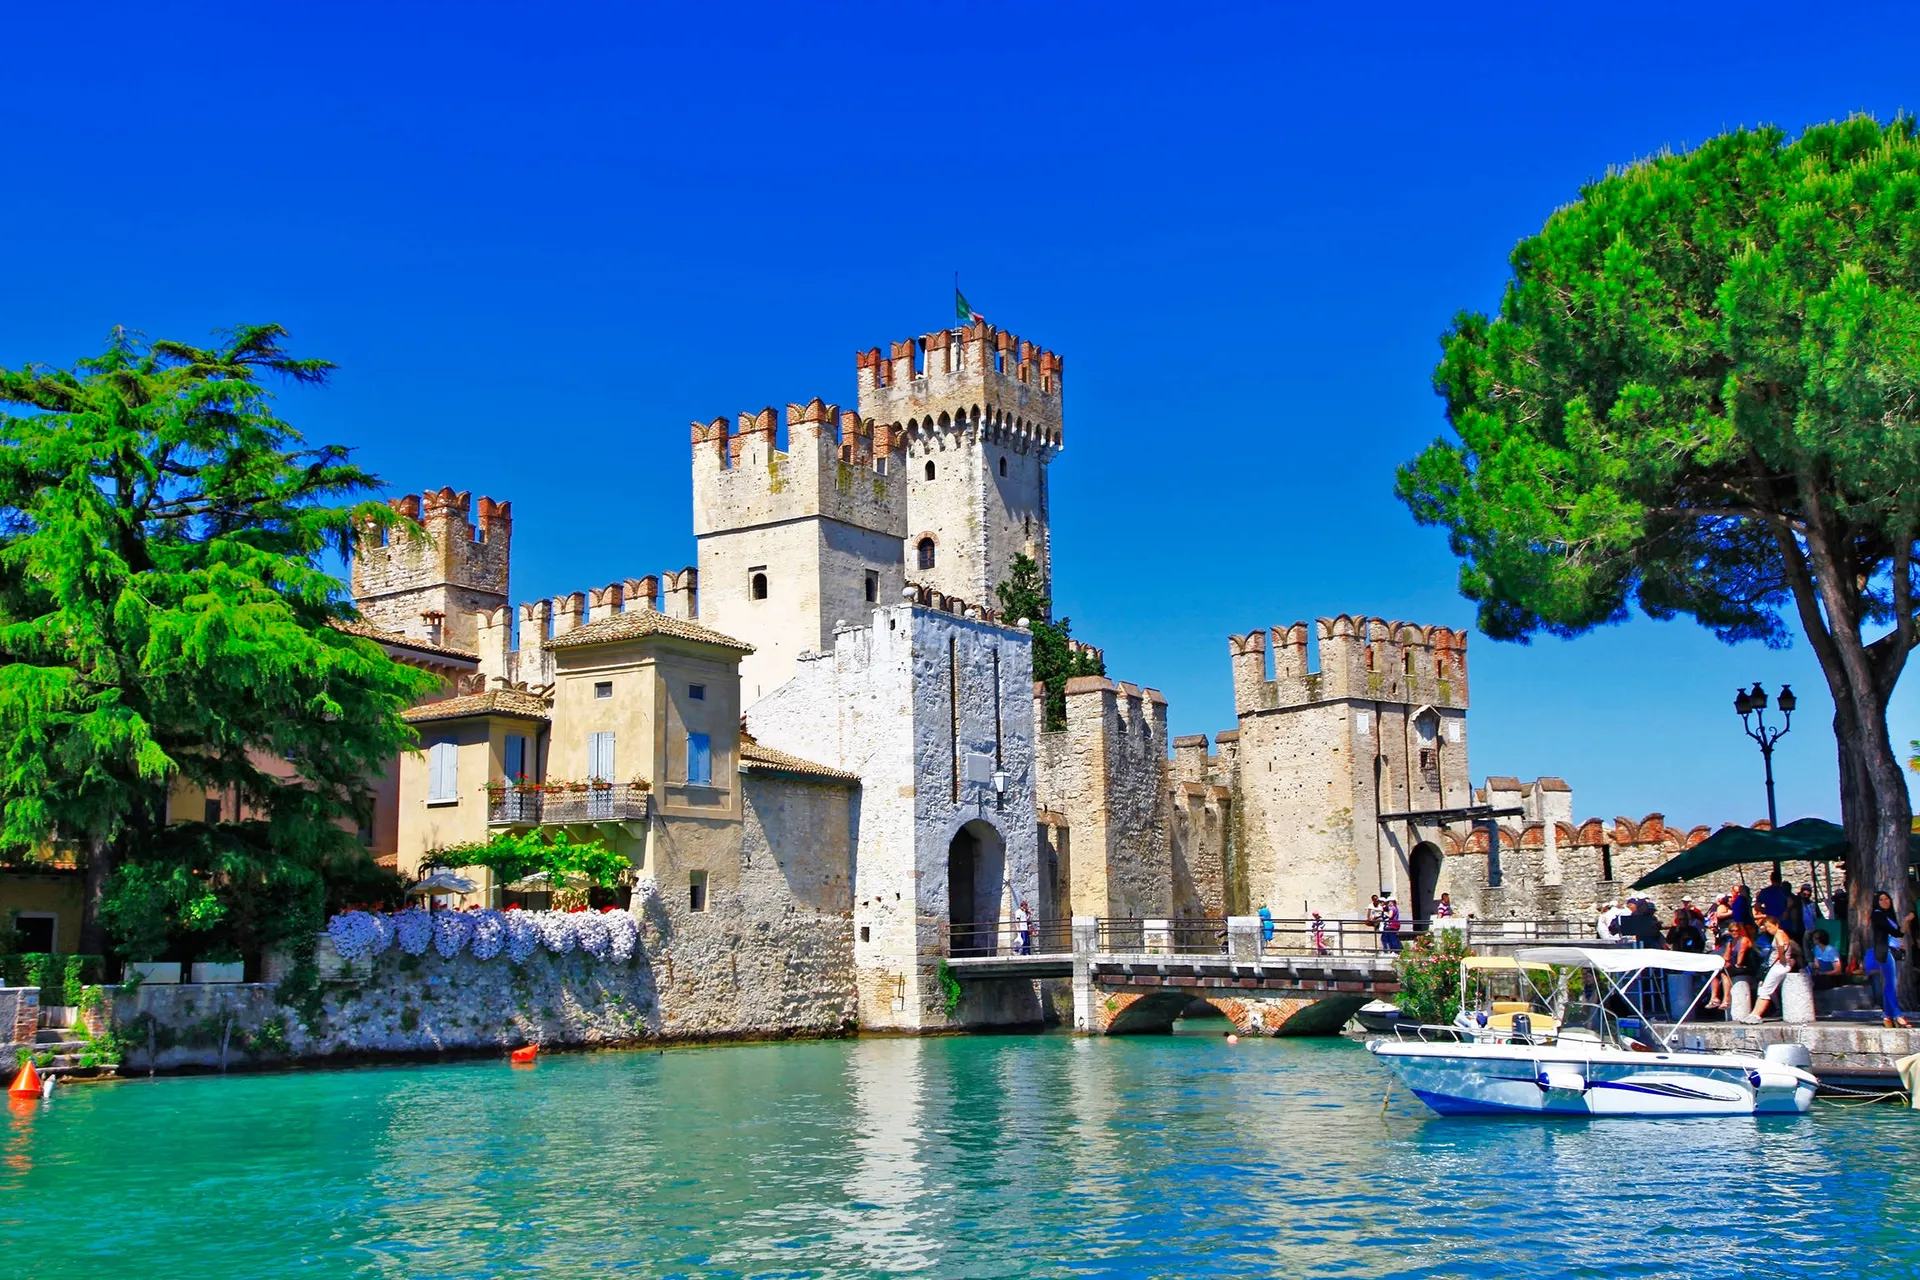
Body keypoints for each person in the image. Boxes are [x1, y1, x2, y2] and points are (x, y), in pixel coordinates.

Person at [1742, 918, 1800, 1024]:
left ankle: (1756, 1015)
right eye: (1767, 927)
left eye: (1770, 926)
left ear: (1777, 924)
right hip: (1775, 966)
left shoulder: (1779, 933)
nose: (1768, 929)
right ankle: (1753, 1013)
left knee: (1765, 991)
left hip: (1779, 966)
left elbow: (1781, 945)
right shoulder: (1777, 934)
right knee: (1762, 988)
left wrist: (1782, 958)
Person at [1869, 890, 1911, 1028]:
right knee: (1890, 984)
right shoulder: (1877, 914)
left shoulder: (1889, 916)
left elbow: (1899, 933)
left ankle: (1887, 1016)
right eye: (1881, 899)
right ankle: (1897, 1014)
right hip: (1884, 951)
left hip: (1893, 951)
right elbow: (1890, 931)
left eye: (1887, 899)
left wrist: (1906, 921)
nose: (1885, 902)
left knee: (1890, 982)